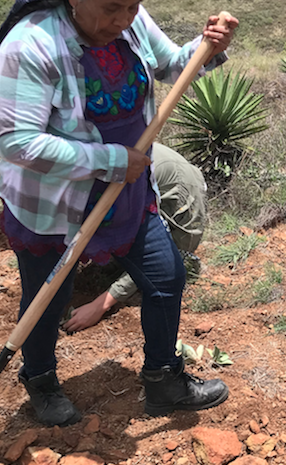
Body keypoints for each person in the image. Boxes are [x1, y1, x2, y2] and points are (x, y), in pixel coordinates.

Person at [0, 0, 239, 426]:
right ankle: (40, 380)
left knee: (166, 275)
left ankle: (164, 380)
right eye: (112, 8)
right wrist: (108, 160)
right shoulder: (31, 44)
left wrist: (207, 48)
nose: (124, 19)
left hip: (127, 191)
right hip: (55, 202)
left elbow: (171, 66)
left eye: (133, 6)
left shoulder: (131, 21)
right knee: (48, 297)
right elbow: (17, 143)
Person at [64, 142, 207, 333]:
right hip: (144, 174)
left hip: (182, 193)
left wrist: (100, 305)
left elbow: (153, 258)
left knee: (166, 266)